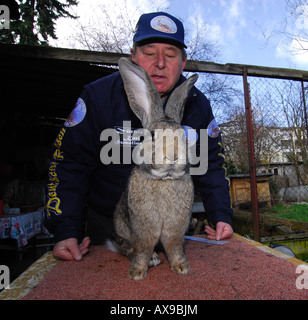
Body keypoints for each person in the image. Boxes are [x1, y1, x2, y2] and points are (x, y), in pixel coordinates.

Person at [44, 12, 234, 261]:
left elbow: (211, 165)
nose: (160, 63)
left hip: (170, 230)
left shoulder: (197, 105)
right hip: (108, 229)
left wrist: (221, 215)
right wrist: (66, 229)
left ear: (183, 61)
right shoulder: (98, 97)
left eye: (170, 54)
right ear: (133, 56)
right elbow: (68, 162)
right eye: (149, 52)